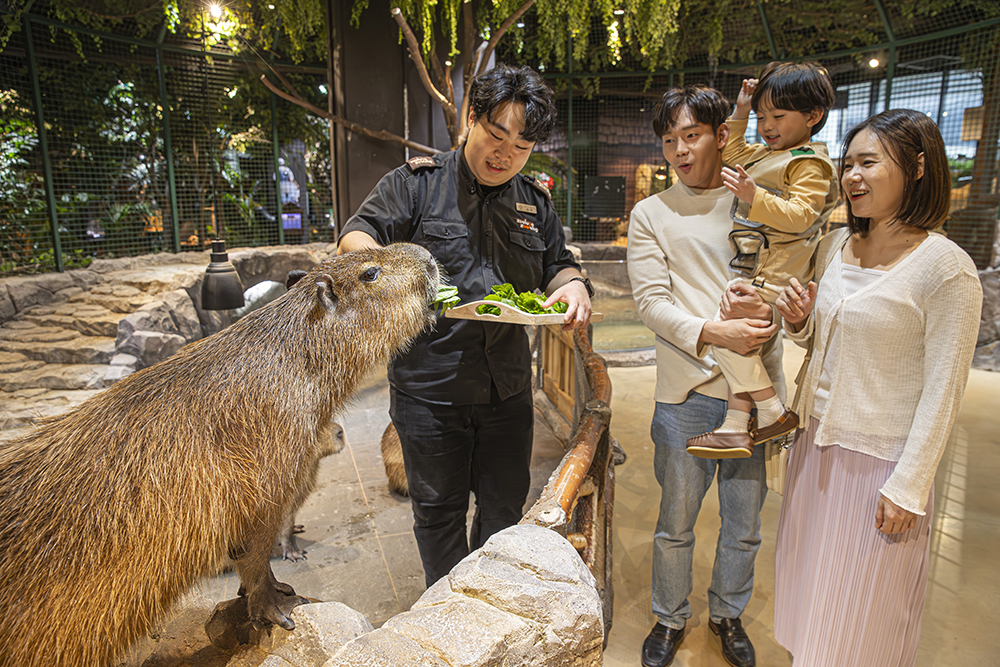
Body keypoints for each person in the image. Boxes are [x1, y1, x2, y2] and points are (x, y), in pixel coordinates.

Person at [337, 64, 593, 587]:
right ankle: (444, 608)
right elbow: (355, 237)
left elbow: (558, 264)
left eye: (520, 147)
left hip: (507, 392)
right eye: (496, 136)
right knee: (437, 513)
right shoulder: (416, 186)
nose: (504, 155)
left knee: (502, 512)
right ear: (470, 121)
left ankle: (484, 601)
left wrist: (573, 285)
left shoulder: (535, 203)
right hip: (430, 390)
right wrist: (387, 275)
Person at [773, 109, 982, 667]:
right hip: (814, 449)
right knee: (810, 606)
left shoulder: (946, 269)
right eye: (848, 164)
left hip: (879, 468)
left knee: (861, 620)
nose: (851, 176)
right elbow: (826, 344)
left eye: (869, 162)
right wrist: (799, 321)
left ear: (917, 167)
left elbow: (944, 390)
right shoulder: (839, 244)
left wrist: (910, 485)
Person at [627, 84, 783, 667]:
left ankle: (727, 613)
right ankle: (670, 618)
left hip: (755, 394)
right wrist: (716, 334)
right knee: (675, 523)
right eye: (669, 140)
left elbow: (783, 276)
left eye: (690, 135)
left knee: (743, 524)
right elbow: (650, 303)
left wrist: (771, 314)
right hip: (684, 394)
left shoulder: (758, 201)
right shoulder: (651, 213)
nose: (679, 151)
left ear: (723, 135)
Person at [686, 62, 838, 458]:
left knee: (725, 336)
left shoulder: (810, 163)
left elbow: (803, 214)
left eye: (778, 116)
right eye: (762, 117)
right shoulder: (771, 154)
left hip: (778, 276)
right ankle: (737, 425)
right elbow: (733, 149)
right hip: (757, 269)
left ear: (813, 116)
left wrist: (757, 197)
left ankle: (770, 410)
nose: (767, 126)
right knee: (735, 341)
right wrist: (739, 110)